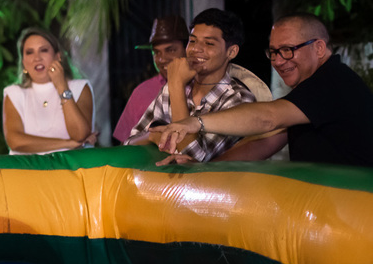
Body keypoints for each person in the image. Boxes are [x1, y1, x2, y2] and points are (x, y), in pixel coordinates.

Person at [150, 13, 373, 167]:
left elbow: (268, 118)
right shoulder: (308, 97)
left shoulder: (333, 81)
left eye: (287, 50)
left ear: (319, 48)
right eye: (273, 52)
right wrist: (204, 169)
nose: (278, 60)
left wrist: (194, 122)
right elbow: (263, 143)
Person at [127, 8, 256, 163]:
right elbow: (129, 143)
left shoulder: (238, 99)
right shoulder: (172, 89)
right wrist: (153, 136)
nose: (195, 49)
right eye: (192, 41)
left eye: (209, 43)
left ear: (232, 52)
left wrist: (176, 84)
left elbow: (195, 160)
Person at [3, 28, 95, 154]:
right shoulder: (14, 93)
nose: (37, 58)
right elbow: (15, 142)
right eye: (30, 52)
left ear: (58, 56)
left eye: (44, 50)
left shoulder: (80, 87)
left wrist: (62, 87)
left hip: (71, 170)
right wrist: (68, 143)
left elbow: (80, 134)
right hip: (27, 170)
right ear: (24, 62)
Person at [111, 15, 190, 143]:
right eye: (156, 52)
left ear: (187, 50)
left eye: (170, 50)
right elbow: (125, 143)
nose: (162, 59)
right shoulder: (141, 92)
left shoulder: (202, 86)